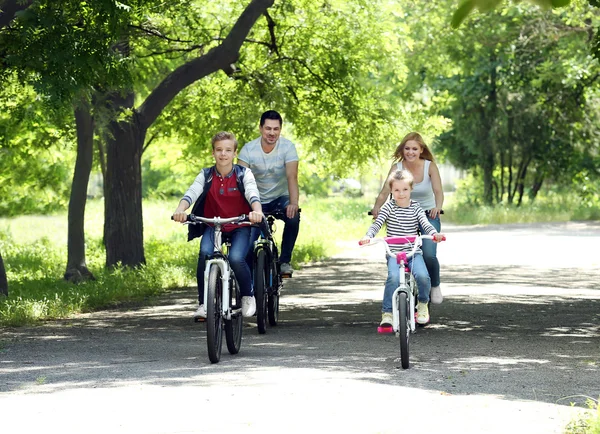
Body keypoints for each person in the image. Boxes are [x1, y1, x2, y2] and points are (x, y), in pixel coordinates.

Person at [172, 131, 264, 320]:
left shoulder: (243, 174)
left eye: (228, 150)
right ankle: (203, 304)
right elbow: (192, 193)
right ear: (213, 153)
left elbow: (252, 193)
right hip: (214, 226)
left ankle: (247, 295)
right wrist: (180, 210)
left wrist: (257, 211)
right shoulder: (206, 175)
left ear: (234, 153)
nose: (223, 154)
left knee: (237, 258)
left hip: (240, 224)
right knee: (205, 253)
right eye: (219, 150)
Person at [362, 169, 445, 327]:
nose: (401, 194)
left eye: (405, 189)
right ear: (391, 191)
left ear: (411, 189)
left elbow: (426, 224)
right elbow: (377, 224)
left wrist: (434, 233)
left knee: (423, 276)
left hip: (413, 252)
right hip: (394, 253)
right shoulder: (388, 208)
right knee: (393, 278)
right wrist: (368, 236)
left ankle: (422, 304)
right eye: (397, 190)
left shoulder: (416, 208)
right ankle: (387, 313)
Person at [371, 132, 445, 304]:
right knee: (397, 251)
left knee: (428, 253)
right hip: (401, 212)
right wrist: (376, 207)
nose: (410, 152)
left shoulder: (429, 166)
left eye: (414, 149)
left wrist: (438, 207)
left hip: (427, 212)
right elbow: (384, 192)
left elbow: (438, 191)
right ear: (402, 150)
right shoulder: (397, 168)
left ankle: (434, 284)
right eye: (407, 148)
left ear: (421, 150)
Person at [238, 110, 300, 276]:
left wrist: (294, 203)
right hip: (254, 200)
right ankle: (251, 278)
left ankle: (284, 261)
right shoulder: (248, 150)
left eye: (276, 129)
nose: (272, 133)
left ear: (280, 129)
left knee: (294, 217)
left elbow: (292, 176)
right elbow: (240, 181)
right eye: (268, 128)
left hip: (280, 198)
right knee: (249, 243)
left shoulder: (288, 147)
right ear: (260, 129)